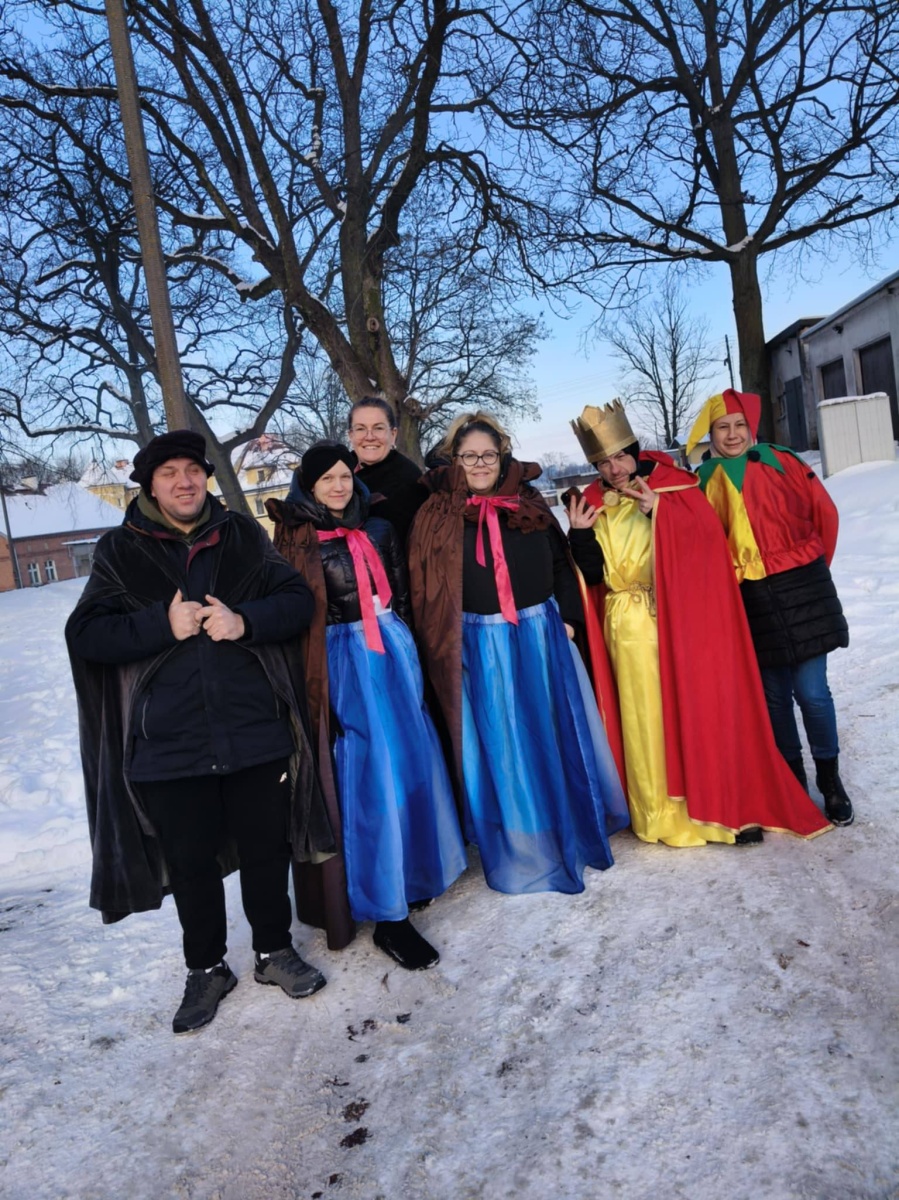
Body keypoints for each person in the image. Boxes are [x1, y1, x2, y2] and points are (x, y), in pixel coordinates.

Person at [66, 430, 334, 1035]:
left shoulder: (241, 535)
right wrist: (160, 625)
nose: (184, 482)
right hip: (169, 740)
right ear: (149, 485)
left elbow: (296, 600)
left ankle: (273, 950)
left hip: (252, 727)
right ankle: (207, 967)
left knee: (266, 850)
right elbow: (86, 635)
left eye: (192, 470)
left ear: (206, 477)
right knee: (189, 863)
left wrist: (245, 621)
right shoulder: (119, 550)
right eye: (169, 474)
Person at [566, 400, 832, 846]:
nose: (614, 469)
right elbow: (592, 577)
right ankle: (659, 812)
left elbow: (707, 547)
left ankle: (718, 806)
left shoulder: (674, 488)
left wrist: (659, 512)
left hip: (681, 621)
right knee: (645, 718)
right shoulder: (590, 505)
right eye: (603, 462)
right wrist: (578, 536)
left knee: (699, 710)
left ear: (634, 451)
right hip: (626, 631)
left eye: (620, 457)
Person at [407, 411, 629, 895]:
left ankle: (570, 819)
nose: (480, 464)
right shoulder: (435, 514)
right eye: (469, 456)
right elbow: (428, 590)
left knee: (552, 731)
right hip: (480, 644)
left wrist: (568, 619)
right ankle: (527, 839)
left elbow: (561, 565)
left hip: (541, 634)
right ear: (454, 459)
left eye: (488, 454)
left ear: (502, 454)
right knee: (505, 741)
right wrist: (447, 646)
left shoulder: (527, 501)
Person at [268, 441, 466, 970]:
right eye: (325, 479)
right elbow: (294, 616)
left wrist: (413, 660)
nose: (337, 486)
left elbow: (400, 596)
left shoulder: (378, 528)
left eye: (343, 476)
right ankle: (386, 914)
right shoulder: (297, 539)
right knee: (368, 779)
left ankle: (413, 874)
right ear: (309, 487)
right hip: (342, 662)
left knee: (410, 766)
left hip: (393, 651)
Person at [687, 388, 853, 826]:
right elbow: (693, 541)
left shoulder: (783, 461)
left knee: (812, 693)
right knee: (775, 698)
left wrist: (811, 568)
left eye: (739, 425)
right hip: (749, 600)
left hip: (802, 589)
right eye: (723, 428)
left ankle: (830, 781)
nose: (733, 435)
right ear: (711, 435)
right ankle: (792, 782)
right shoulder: (702, 483)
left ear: (751, 427)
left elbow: (824, 514)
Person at [347, 397, 427, 540]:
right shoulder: (338, 469)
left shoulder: (408, 479)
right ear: (351, 435)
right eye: (360, 429)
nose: (369, 437)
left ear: (393, 434)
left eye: (378, 428)